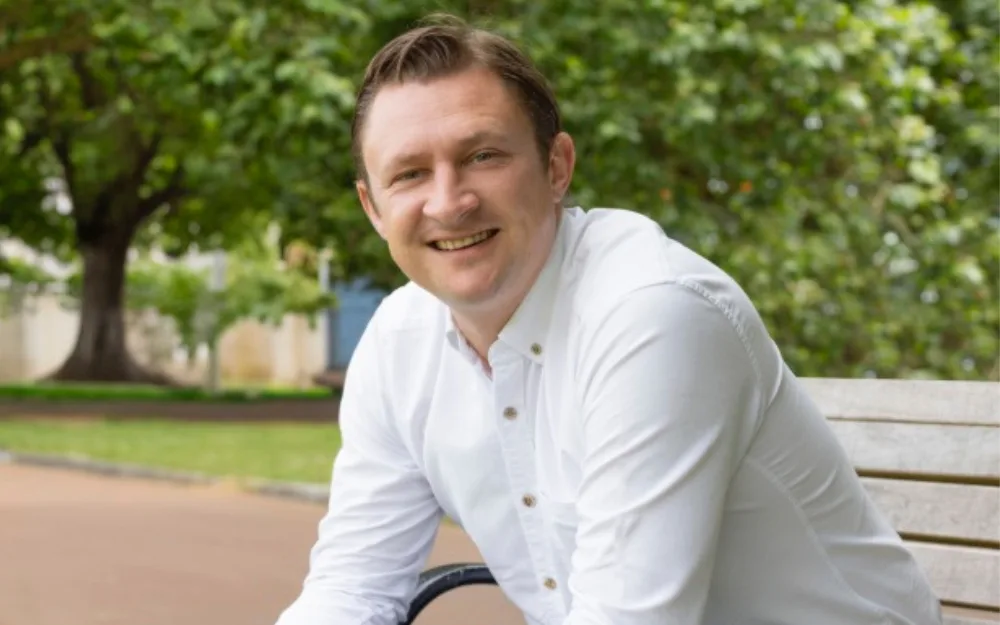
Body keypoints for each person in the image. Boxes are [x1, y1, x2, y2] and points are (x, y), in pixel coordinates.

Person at [276, 14, 942, 625]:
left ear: (557, 165)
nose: (449, 202)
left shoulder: (653, 315)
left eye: (483, 155)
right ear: (372, 208)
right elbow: (353, 587)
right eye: (410, 174)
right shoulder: (399, 342)